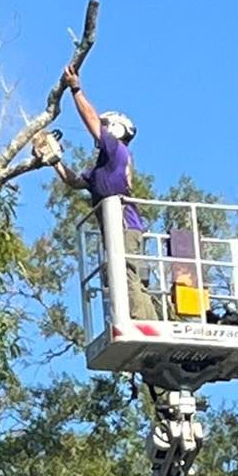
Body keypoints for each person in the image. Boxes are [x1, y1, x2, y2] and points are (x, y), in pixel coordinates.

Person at [46, 65, 163, 319]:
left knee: (125, 275)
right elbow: (75, 182)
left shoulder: (116, 151)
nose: (102, 129)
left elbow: (91, 120)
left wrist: (75, 88)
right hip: (115, 229)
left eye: (107, 125)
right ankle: (141, 317)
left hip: (124, 226)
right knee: (120, 276)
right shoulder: (101, 168)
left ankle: (142, 322)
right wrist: (54, 160)